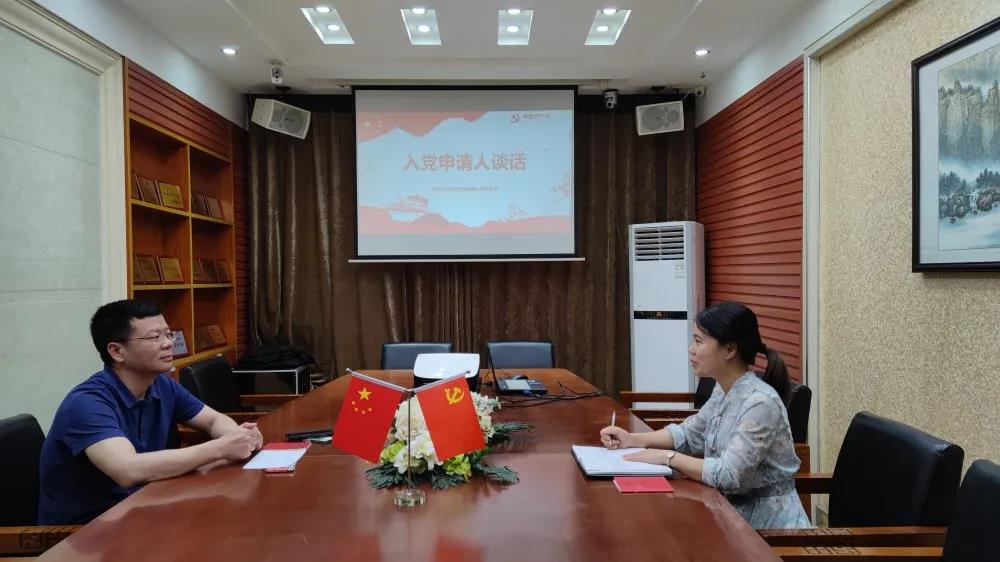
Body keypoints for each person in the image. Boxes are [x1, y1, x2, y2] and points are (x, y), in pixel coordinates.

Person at [38, 299, 263, 525]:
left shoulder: (161, 384)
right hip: (88, 531)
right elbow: (128, 470)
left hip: (145, 507)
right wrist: (221, 448)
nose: (168, 344)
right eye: (154, 338)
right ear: (116, 351)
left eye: (168, 334)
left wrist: (239, 438)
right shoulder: (87, 403)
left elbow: (213, 420)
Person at [600, 301, 810, 528]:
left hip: (769, 530)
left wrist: (666, 457)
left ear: (730, 350)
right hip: (726, 513)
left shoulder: (760, 402)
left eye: (699, 341)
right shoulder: (723, 389)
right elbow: (690, 434)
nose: (691, 349)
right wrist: (632, 440)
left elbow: (729, 474)